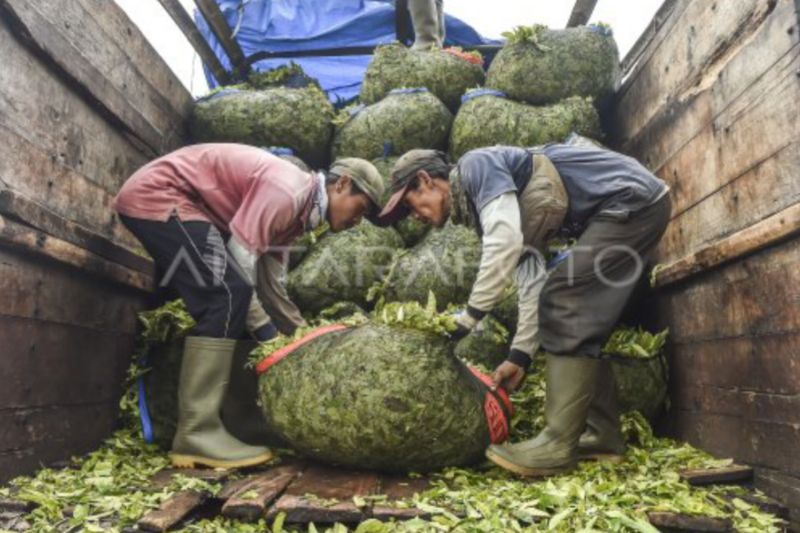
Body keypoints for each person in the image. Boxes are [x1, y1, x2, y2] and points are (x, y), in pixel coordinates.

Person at [377, 141, 670, 476]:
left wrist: (469, 317)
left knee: (566, 297)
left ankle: (557, 444)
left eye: (410, 205)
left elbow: (503, 242)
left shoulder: (476, 166)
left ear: (426, 180)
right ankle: (601, 437)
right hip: (632, 205)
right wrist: (520, 356)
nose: (413, 217)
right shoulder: (484, 206)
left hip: (633, 201)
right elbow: (532, 283)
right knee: (567, 301)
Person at [113, 143, 385, 469]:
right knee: (227, 294)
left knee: (231, 293)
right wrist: (268, 335)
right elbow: (241, 266)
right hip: (160, 195)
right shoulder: (288, 191)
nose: (359, 221)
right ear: (341, 185)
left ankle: (201, 430)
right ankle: (197, 432)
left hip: (184, 205)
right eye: (362, 207)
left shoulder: (298, 215)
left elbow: (271, 286)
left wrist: (303, 340)